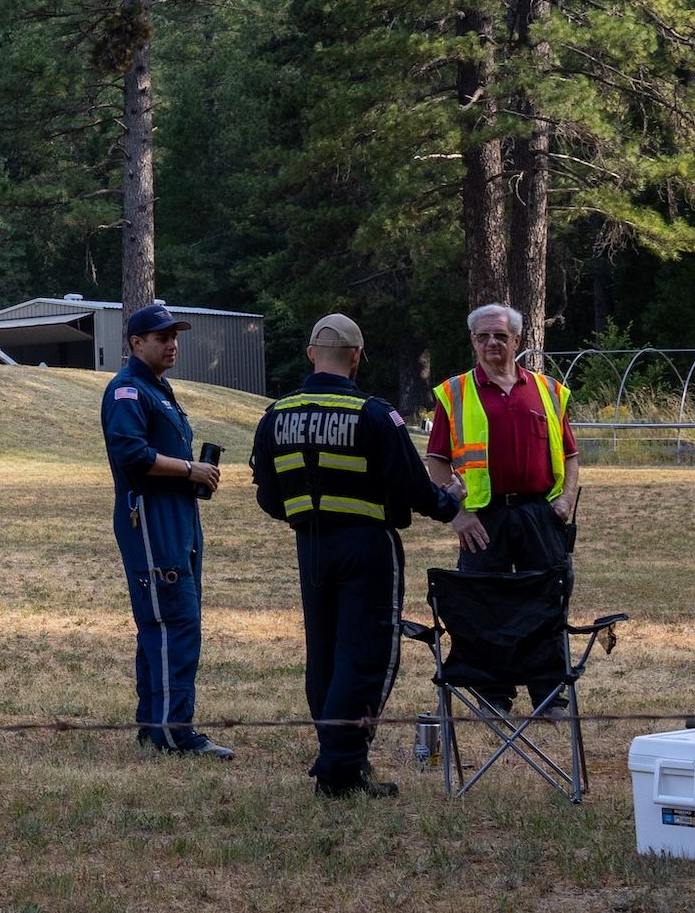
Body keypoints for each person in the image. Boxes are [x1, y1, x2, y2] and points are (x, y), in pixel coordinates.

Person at [252, 312, 463, 799]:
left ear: (310, 354)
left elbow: (267, 495)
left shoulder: (275, 415)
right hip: (368, 546)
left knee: (323, 654)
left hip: (311, 546)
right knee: (366, 654)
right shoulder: (374, 413)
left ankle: (338, 758)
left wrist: (306, 517)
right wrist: (450, 501)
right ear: (357, 357)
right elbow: (414, 487)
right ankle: (340, 766)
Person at [103, 299, 229, 759]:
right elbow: (131, 454)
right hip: (152, 521)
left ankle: (155, 728)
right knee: (173, 622)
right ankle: (175, 734)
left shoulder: (159, 388)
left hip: (178, 521)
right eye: (162, 337)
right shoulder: (128, 392)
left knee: (168, 623)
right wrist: (189, 470)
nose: (172, 344)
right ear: (136, 343)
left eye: (175, 336)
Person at [424, 304, 581, 584]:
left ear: (517, 340)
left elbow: (570, 454)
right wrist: (458, 515)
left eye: (500, 335)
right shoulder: (454, 392)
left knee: (546, 601)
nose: (491, 342)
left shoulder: (548, 390)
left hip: (539, 513)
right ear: (473, 341)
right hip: (483, 518)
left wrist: (566, 500)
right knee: (484, 606)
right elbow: (436, 459)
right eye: (482, 336)